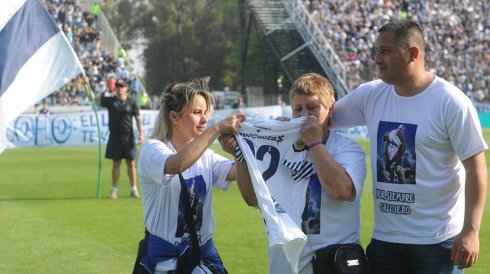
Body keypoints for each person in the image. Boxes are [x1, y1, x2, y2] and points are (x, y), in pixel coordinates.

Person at [331, 19, 488, 273]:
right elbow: (323, 120)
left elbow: (476, 167)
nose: (377, 59)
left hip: (437, 243)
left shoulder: (451, 102)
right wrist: (282, 125)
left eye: (386, 51)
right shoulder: (370, 95)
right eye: (376, 51)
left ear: (412, 53)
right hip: (384, 242)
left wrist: (471, 230)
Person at [225, 72, 366, 273]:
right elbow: (252, 199)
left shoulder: (347, 149)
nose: (303, 115)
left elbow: (342, 191)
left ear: (331, 109)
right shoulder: (280, 149)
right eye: (297, 109)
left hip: (332, 263)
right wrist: (241, 155)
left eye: (312, 107)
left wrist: (314, 143)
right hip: (287, 264)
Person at [136, 79, 245, 273]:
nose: (204, 119)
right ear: (174, 117)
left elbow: (236, 172)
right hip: (164, 262)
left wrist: (239, 152)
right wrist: (217, 128)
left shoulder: (206, 155)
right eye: (196, 112)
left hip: (202, 254)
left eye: (205, 113)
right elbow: (178, 163)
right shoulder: (152, 150)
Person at [99, 78, 144, 199]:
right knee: (116, 163)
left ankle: (133, 189)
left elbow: (138, 118)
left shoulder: (132, 101)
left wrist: (141, 134)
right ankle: (114, 190)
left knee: (131, 163)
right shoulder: (110, 101)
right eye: (117, 86)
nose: (119, 89)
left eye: (122, 86)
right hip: (115, 136)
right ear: (115, 88)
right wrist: (86, 84)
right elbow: (93, 98)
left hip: (128, 136)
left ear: (126, 88)